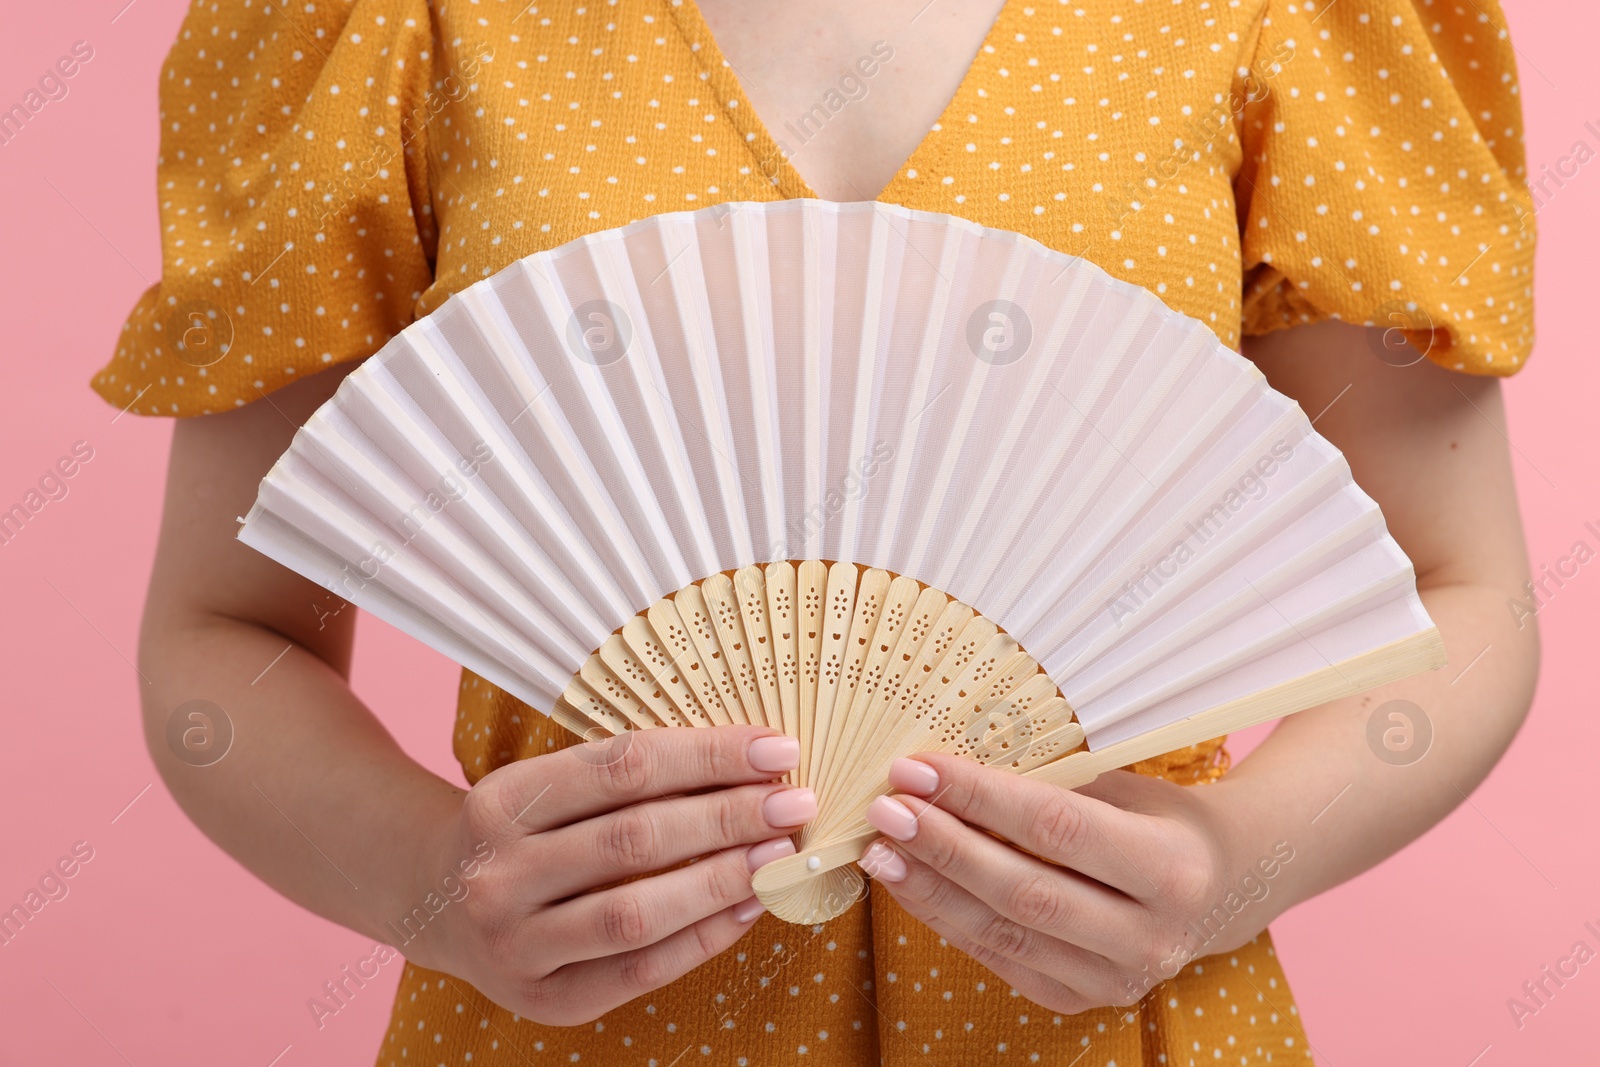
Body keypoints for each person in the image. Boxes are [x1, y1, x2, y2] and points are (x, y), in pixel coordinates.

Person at [94, 0, 1541, 1062]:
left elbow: (1460, 593)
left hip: (1114, 1023)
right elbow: (225, 632)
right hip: (568, 1035)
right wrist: (435, 886)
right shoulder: (381, 20)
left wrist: (1229, 866)